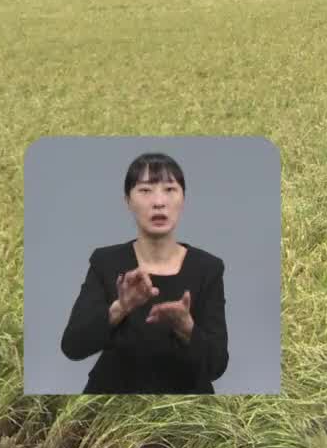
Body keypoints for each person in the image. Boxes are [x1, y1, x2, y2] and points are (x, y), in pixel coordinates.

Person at [60, 151, 229, 393]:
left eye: (170, 189)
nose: (158, 201)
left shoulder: (208, 268)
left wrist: (186, 327)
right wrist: (121, 308)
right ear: (127, 200)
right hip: (112, 404)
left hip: (187, 410)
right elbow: (73, 347)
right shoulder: (106, 262)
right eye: (145, 190)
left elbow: (217, 366)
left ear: (183, 199)